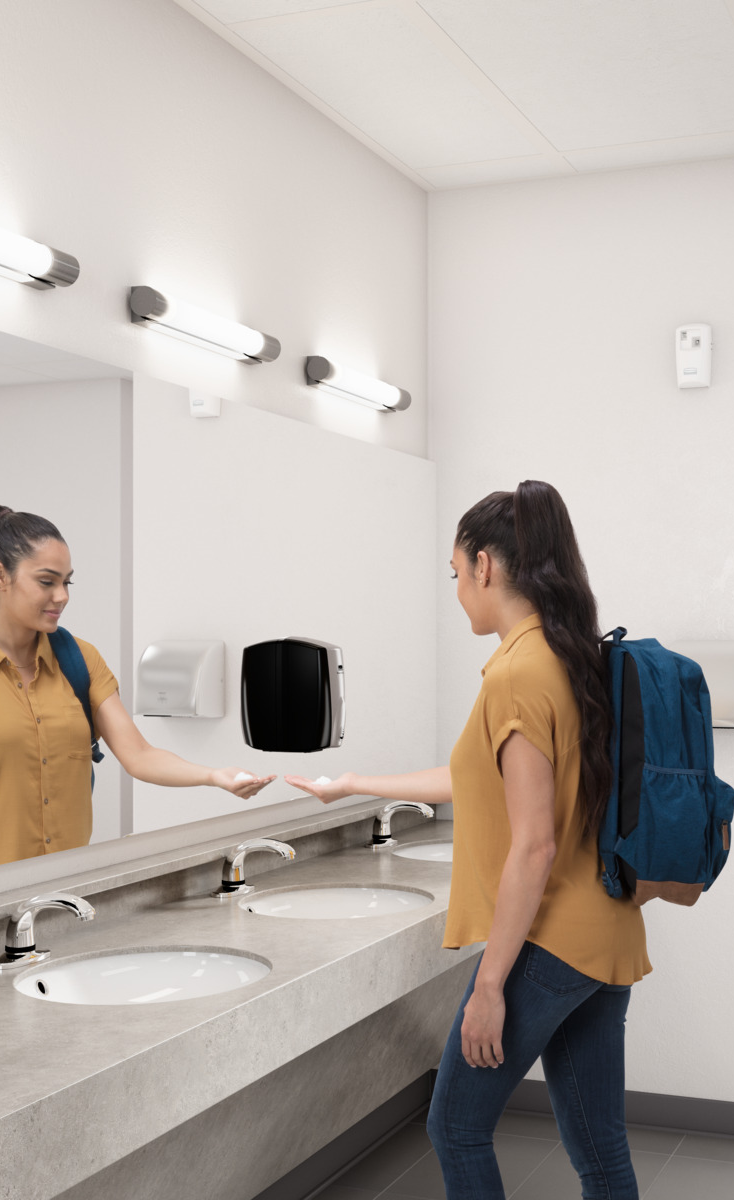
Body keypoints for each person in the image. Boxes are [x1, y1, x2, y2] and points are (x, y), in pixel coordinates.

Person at [286, 480, 649, 1200]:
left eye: (456, 574)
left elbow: (533, 845)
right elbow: (477, 779)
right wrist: (356, 783)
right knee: (600, 1150)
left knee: (455, 1126)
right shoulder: (569, 655)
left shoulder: (515, 673)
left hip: (550, 948)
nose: (457, 592)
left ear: (486, 566)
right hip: (605, 934)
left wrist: (489, 987)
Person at [0, 504, 274, 880]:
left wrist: (215, 776)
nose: (62, 596)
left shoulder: (81, 660)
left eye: (67, 582)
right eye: (47, 581)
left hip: (66, 889)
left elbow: (140, 755)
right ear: (1, 576)